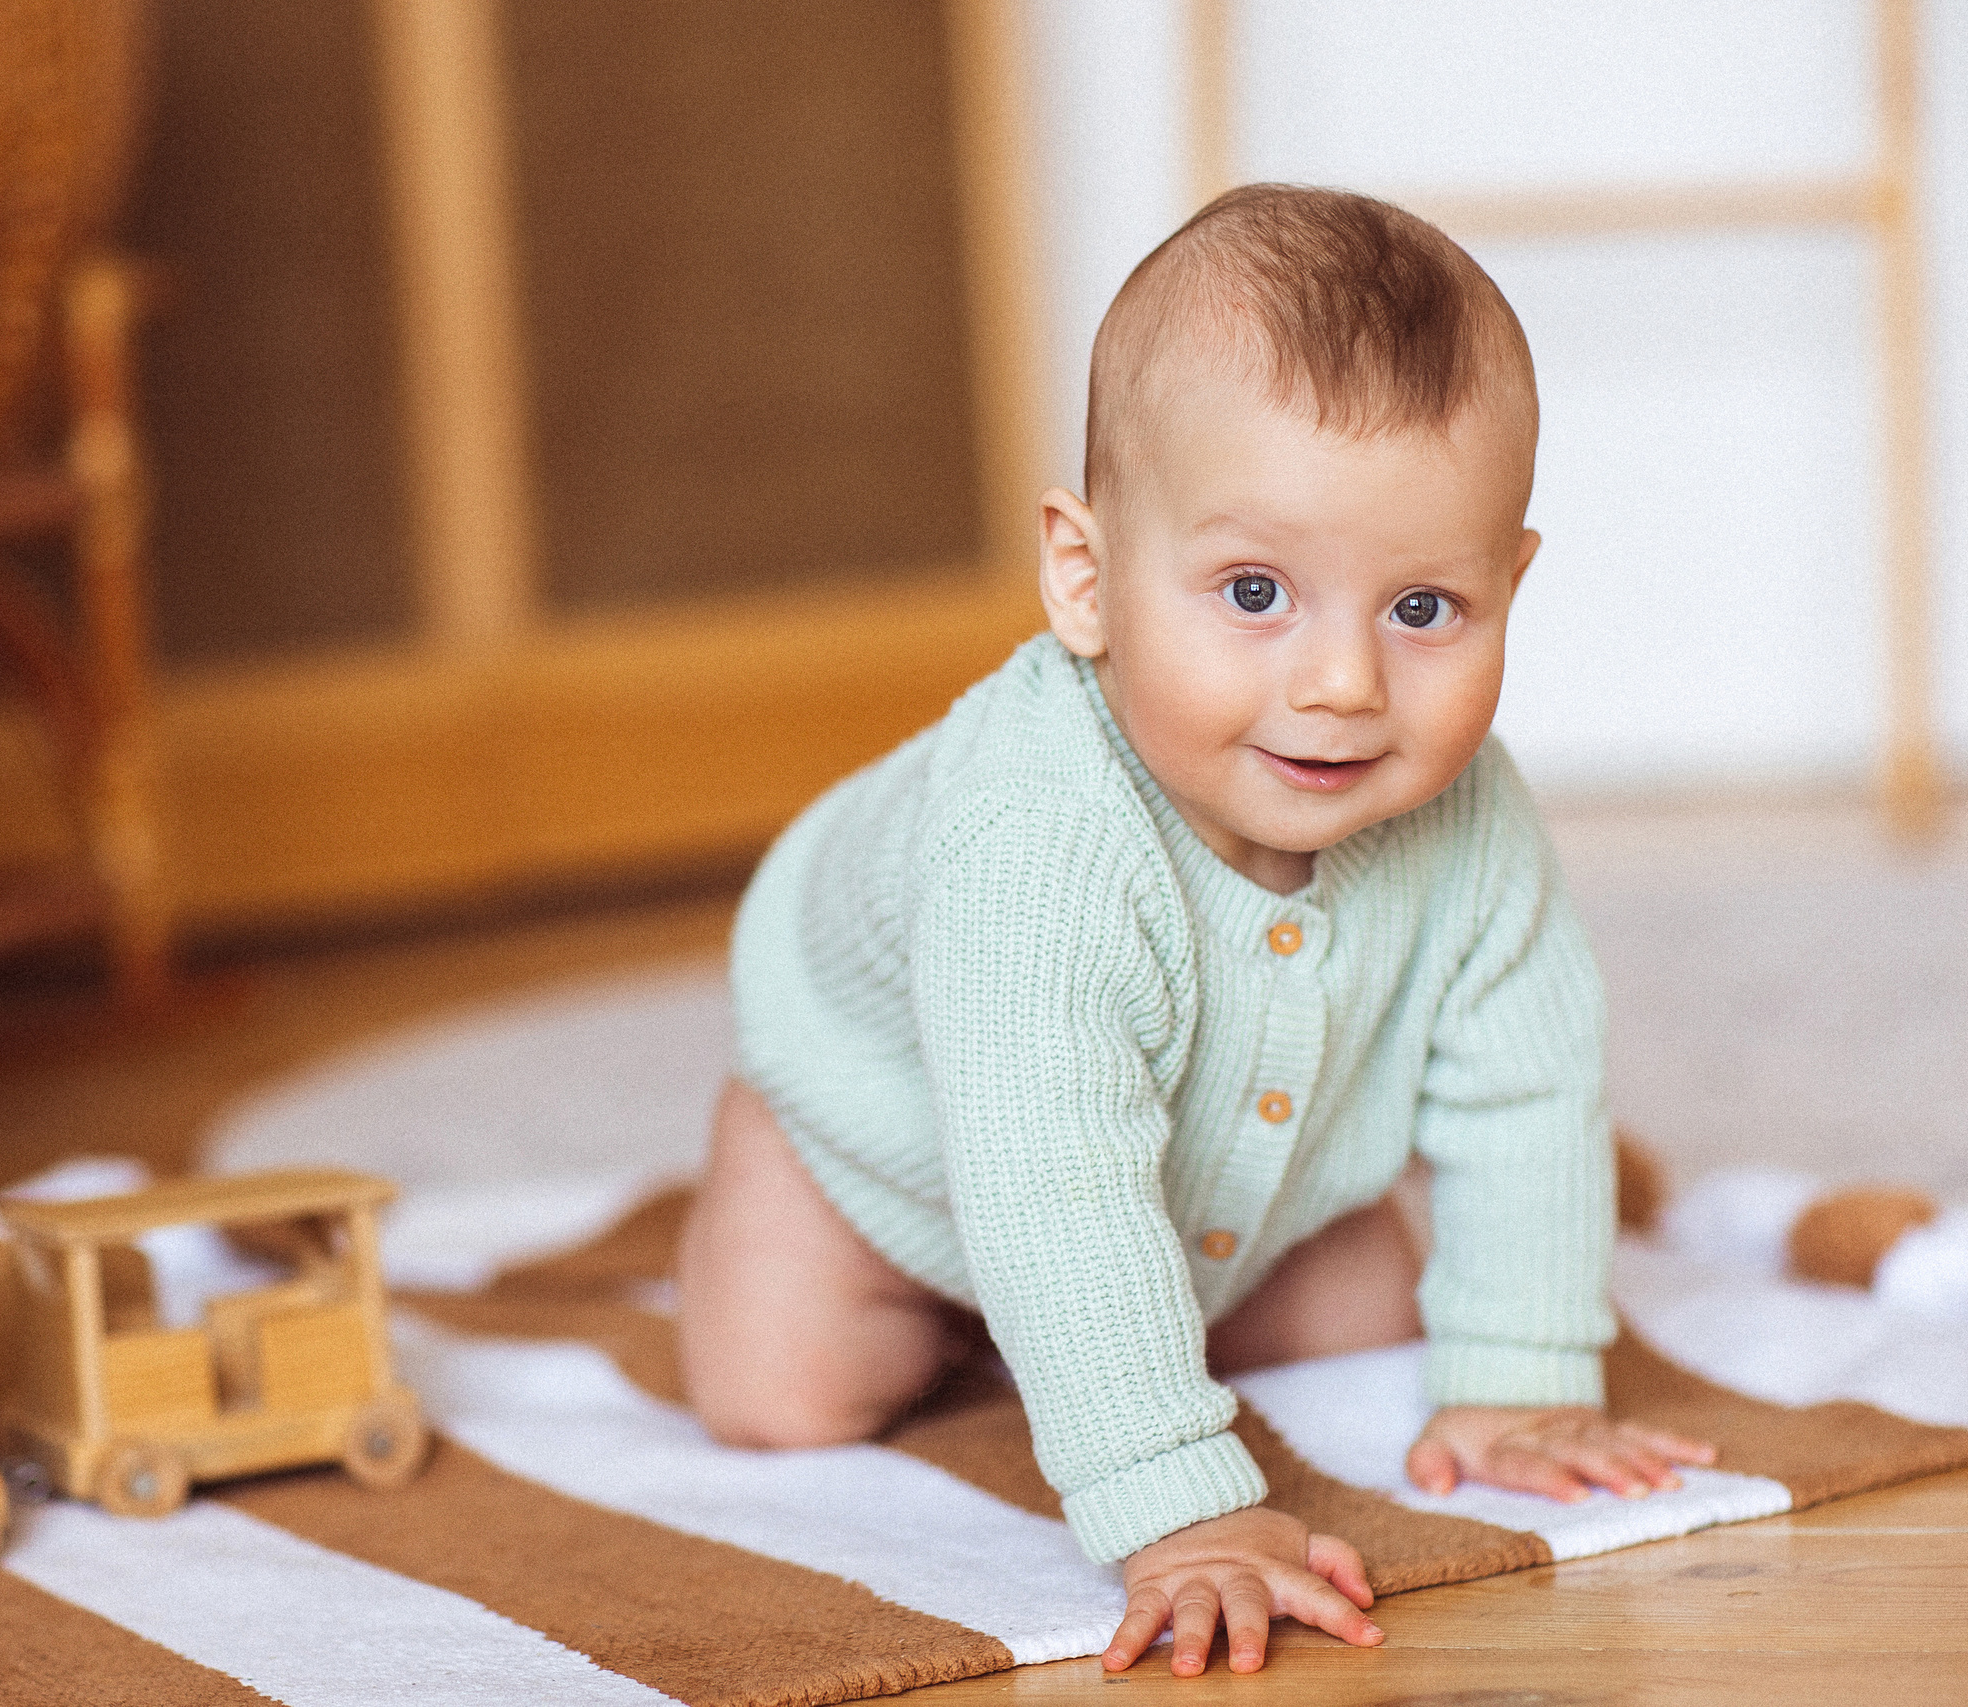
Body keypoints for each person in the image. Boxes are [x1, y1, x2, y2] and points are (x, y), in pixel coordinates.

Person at [676, 184, 1714, 1679]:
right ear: (1085, 581)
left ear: (1513, 586)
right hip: (891, 1157)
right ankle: (785, 1180)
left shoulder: (1474, 819)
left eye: (1425, 608)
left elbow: (1530, 1085)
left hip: (1234, 1179)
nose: (1346, 681)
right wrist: (1180, 1506)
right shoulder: (1035, 844)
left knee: (1373, 1322)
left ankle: (1106, 1337)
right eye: (1254, 592)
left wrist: (1522, 1373)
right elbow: (1051, 1178)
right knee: (784, 1393)